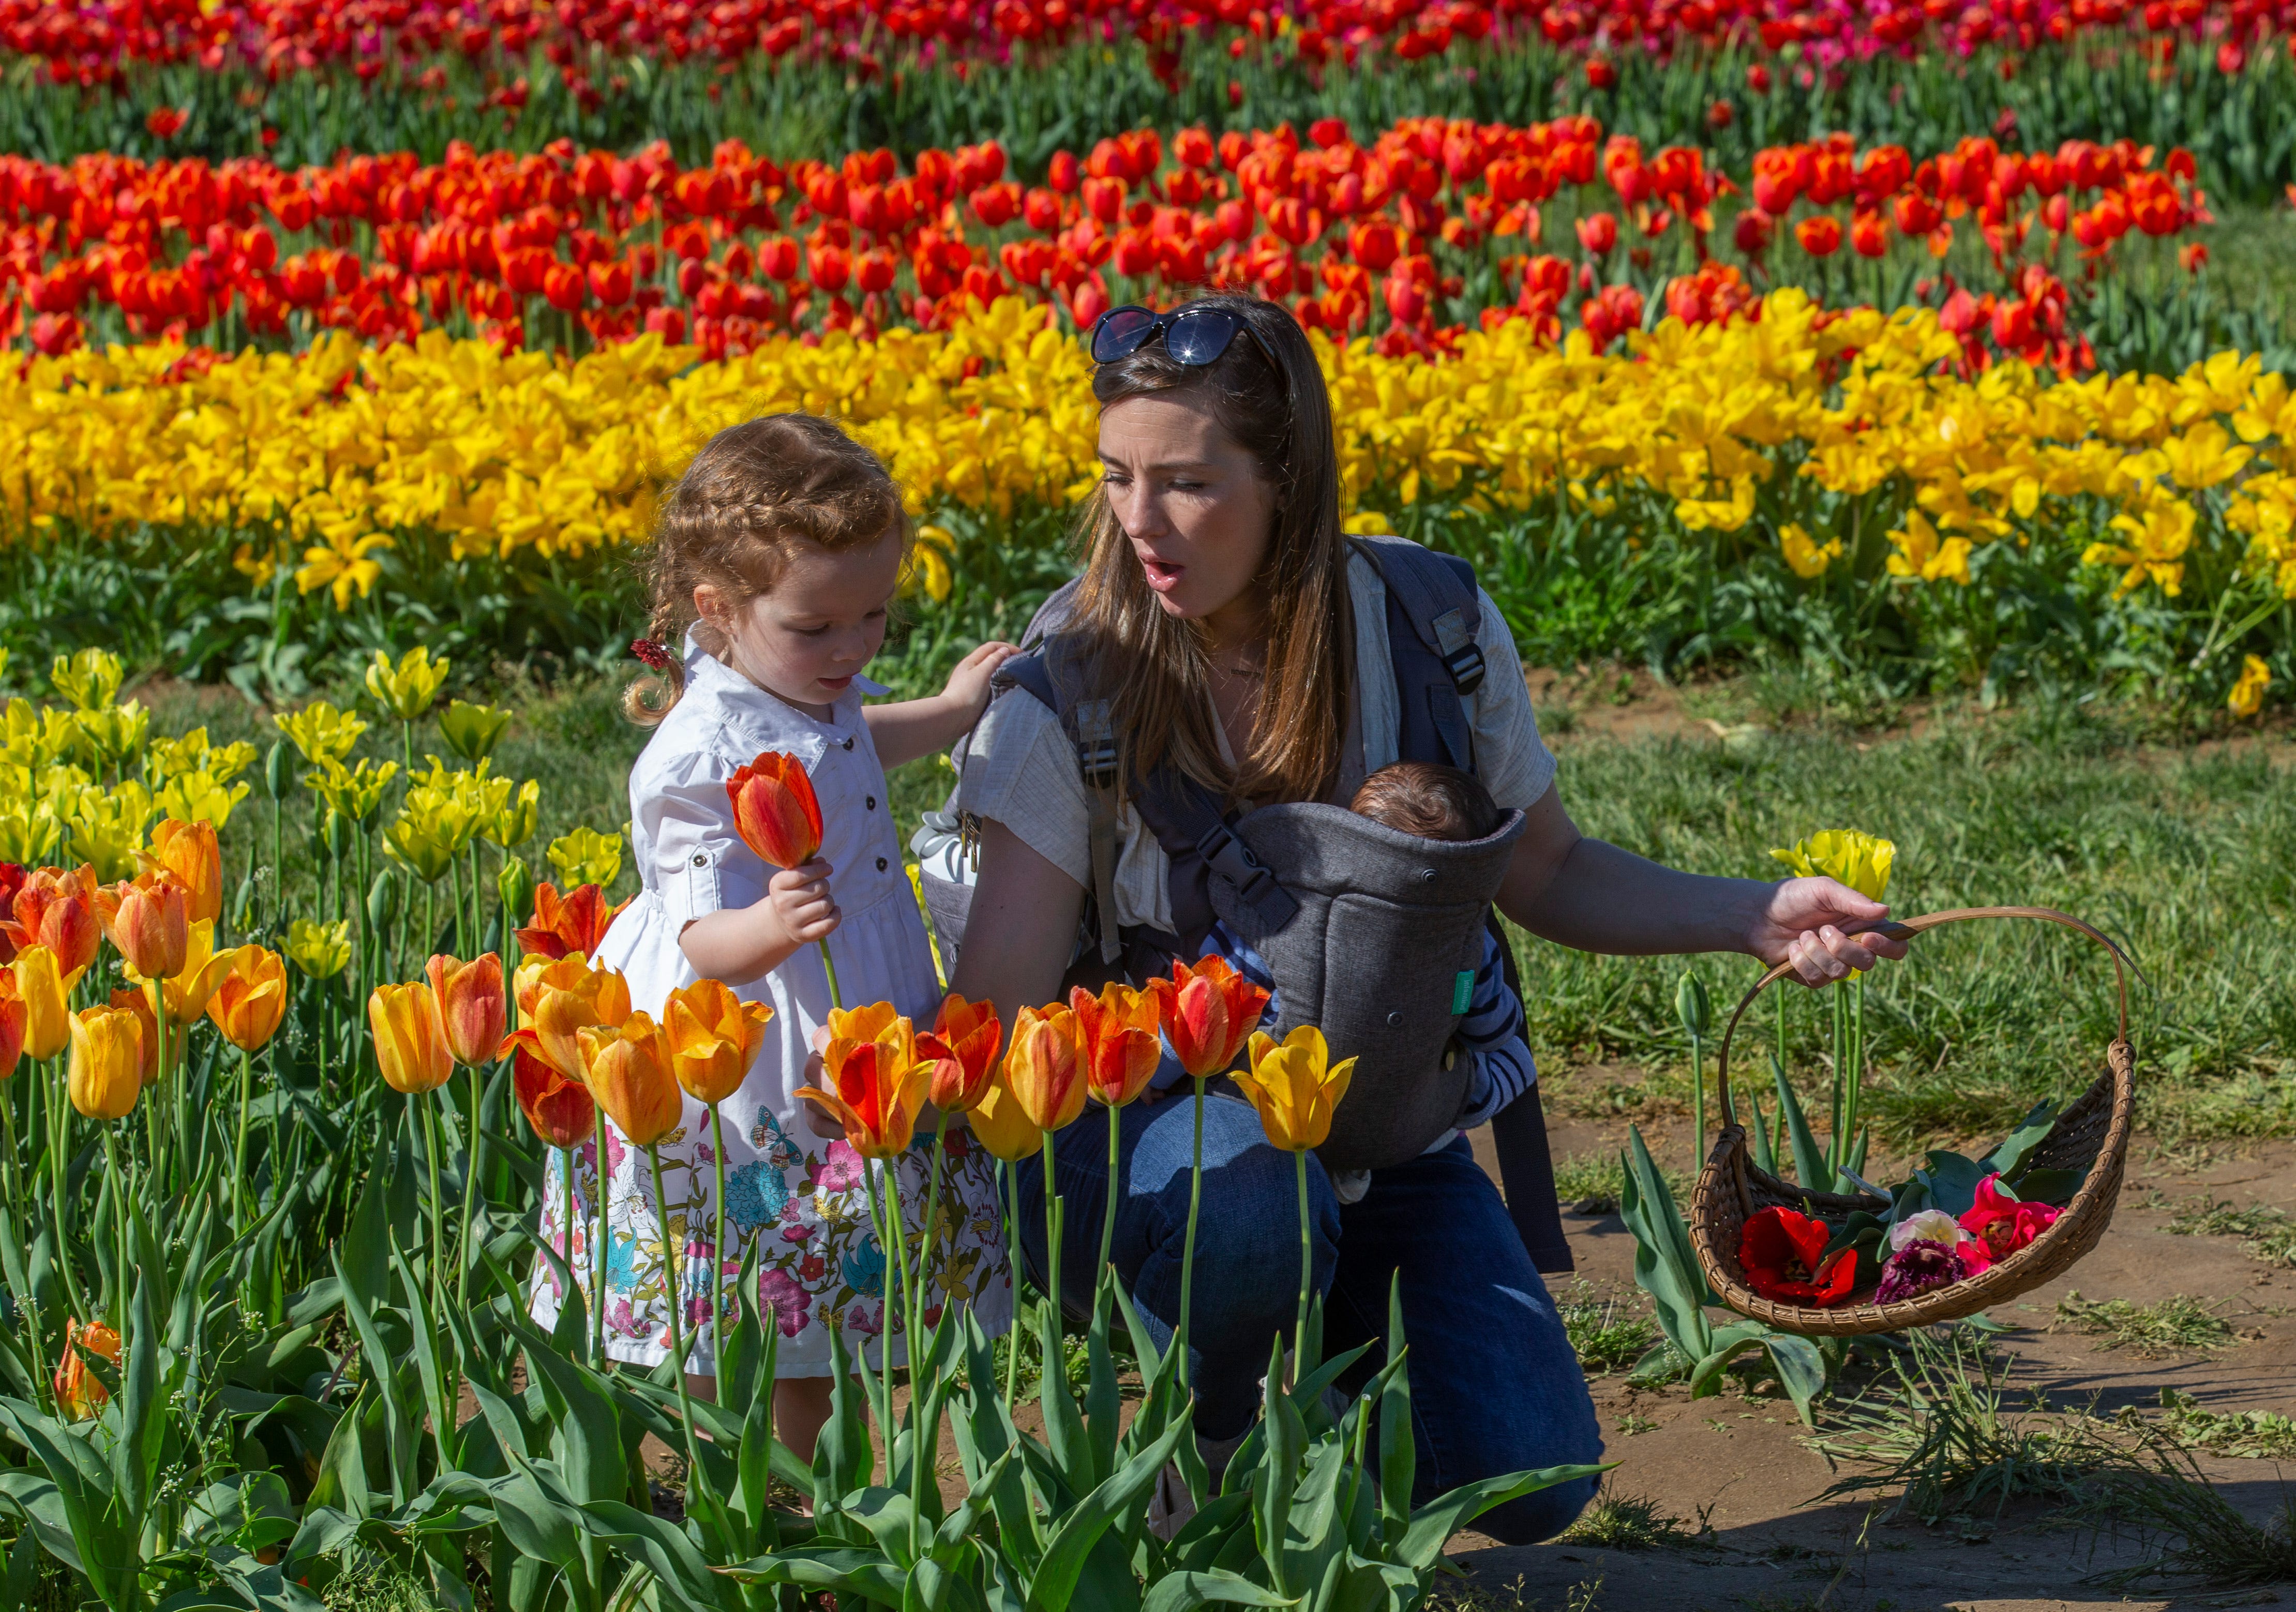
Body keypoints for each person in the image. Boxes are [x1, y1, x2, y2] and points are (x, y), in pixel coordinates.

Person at [947, 294, 1905, 1543]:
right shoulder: (1072, 678)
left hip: (1380, 1130)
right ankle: (1215, 1448)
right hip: (1134, 1152)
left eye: (1187, 482)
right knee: (1250, 1206)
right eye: (1117, 476)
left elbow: (1547, 868)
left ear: (1289, 478)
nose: (1140, 521)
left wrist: (1756, 916)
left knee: (1527, 1473)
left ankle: (1318, 1394)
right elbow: (998, 1023)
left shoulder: (1422, 625)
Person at [530, 413, 1018, 1460]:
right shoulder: (694, 752)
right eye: (817, 627)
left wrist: (950, 707)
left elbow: (851, 743)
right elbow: (701, 933)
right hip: (752, 1036)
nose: (851, 649)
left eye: (875, 617)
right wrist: (766, 924)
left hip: (851, 997)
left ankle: (815, 1482)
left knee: (832, 1284)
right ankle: (750, 1472)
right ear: (718, 608)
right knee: (748, 1273)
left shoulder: (809, 683)